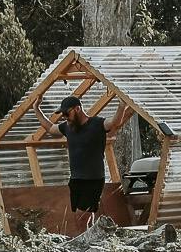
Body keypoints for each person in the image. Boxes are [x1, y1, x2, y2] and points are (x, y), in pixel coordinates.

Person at [36, 95, 128, 229]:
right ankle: (90, 240)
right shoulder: (68, 127)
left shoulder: (97, 124)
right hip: (76, 179)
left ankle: (85, 244)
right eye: (62, 114)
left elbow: (114, 122)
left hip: (93, 179)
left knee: (82, 216)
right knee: (81, 216)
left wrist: (122, 106)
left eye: (67, 113)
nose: (64, 117)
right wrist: (36, 108)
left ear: (77, 109)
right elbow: (50, 128)